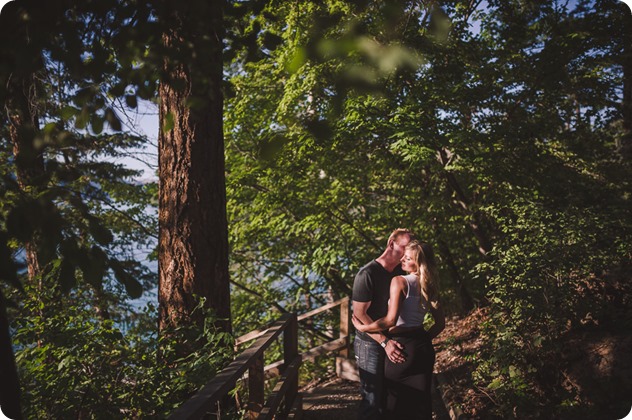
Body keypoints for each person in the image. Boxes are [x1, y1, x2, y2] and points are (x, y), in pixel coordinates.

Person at [353, 240, 445, 419]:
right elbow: (440, 324)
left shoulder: (400, 281)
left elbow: (390, 320)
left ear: (418, 263)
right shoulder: (430, 284)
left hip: (400, 348)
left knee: (395, 407)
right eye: (404, 255)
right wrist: (422, 341)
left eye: (408, 258)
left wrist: (364, 327)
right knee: (421, 406)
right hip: (422, 347)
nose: (402, 259)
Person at [352, 228, 413, 419]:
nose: (407, 252)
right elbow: (359, 314)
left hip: (393, 339)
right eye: (404, 247)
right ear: (391, 244)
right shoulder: (367, 274)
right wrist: (384, 342)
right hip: (369, 342)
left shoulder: (399, 272)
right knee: (372, 400)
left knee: (390, 397)